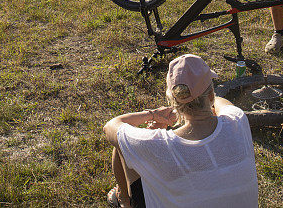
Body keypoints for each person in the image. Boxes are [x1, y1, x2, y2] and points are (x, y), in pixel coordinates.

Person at [103, 54, 258, 208]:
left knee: (122, 145)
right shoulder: (237, 119)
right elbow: (222, 103)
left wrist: (153, 114)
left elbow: (111, 126)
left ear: (172, 100)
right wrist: (202, 97)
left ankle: (124, 200)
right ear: (210, 95)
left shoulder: (154, 143)